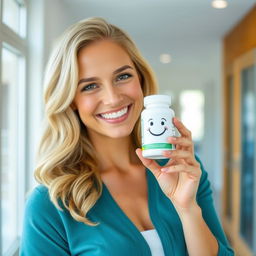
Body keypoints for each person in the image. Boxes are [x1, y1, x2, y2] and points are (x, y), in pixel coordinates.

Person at [20, 17, 234, 256]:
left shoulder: (180, 169)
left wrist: (187, 209)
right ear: (70, 100)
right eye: (90, 86)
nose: (113, 98)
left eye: (122, 77)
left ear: (141, 79)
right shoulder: (50, 204)